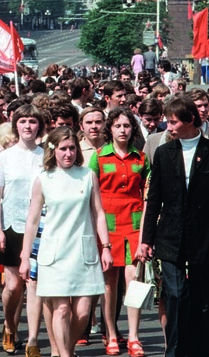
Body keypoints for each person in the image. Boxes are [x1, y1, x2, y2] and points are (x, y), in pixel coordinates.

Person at [137, 97, 209, 357]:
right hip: (169, 237)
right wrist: (146, 240)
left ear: (190, 120)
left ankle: (200, 350)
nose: (168, 127)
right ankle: (176, 352)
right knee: (177, 295)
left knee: (202, 300)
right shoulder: (164, 153)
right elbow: (154, 198)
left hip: (204, 238)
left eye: (173, 121)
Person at [20, 127, 112, 357]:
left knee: (82, 312)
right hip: (54, 252)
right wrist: (25, 257)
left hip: (84, 250)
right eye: (63, 149)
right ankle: (63, 354)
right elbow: (31, 221)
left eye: (72, 148)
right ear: (53, 150)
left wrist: (106, 247)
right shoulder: (43, 179)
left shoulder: (87, 175)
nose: (68, 153)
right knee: (60, 310)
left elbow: (99, 213)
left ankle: (67, 350)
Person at [88, 108, 148, 357]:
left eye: (127, 125)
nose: (123, 130)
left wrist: (146, 234)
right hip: (108, 225)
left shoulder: (142, 158)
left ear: (133, 128)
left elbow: (148, 194)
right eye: (117, 126)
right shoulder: (98, 157)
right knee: (109, 283)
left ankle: (133, 335)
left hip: (134, 224)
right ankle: (111, 333)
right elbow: (92, 198)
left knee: (134, 281)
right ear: (109, 129)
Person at [0, 105, 46, 356]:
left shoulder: (46, 156)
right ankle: (10, 324)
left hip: (40, 227)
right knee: (12, 286)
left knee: (33, 284)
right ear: (16, 126)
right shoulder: (5, 157)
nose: (28, 126)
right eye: (23, 121)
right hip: (11, 226)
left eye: (32, 121)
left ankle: (32, 338)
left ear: (39, 126)